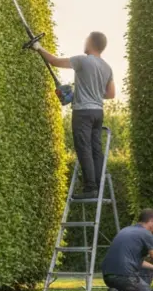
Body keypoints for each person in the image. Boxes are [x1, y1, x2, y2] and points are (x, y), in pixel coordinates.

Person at [33, 32, 115, 199]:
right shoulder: (107, 67)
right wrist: (92, 93)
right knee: (95, 149)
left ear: (92, 42)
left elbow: (54, 61)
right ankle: (97, 187)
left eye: (86, 40)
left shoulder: (82, 60)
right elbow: (111, 94)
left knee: (83, 147)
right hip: (97, 112)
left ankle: (90, 188)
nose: (84, 42)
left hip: (83, 113)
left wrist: (39, 48)